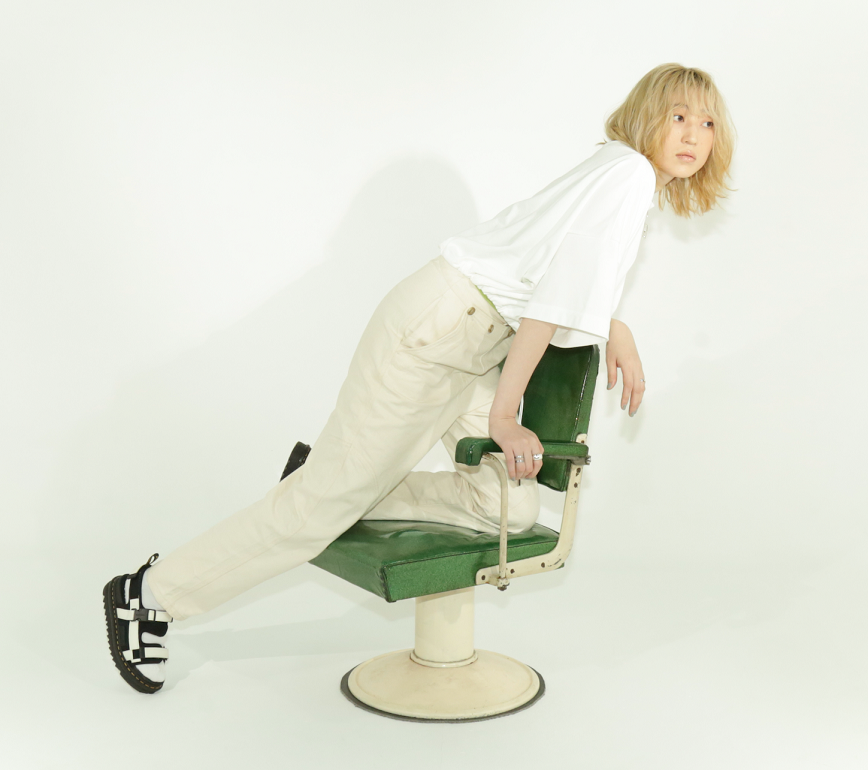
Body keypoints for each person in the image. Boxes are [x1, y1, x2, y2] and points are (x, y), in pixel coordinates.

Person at [103, 63, 735, 694]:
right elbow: (549, 304)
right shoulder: (628, 175)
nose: (692, 135)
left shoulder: (620, 173)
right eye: (678, 116)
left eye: (707, 123)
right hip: (438, 333)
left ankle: (336, 479)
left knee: (509, 508)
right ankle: (149, 594)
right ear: (647, 116)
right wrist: (504, 415)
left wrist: (614, 326)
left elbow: (554, 271)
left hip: (472, 341)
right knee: (314, 512)